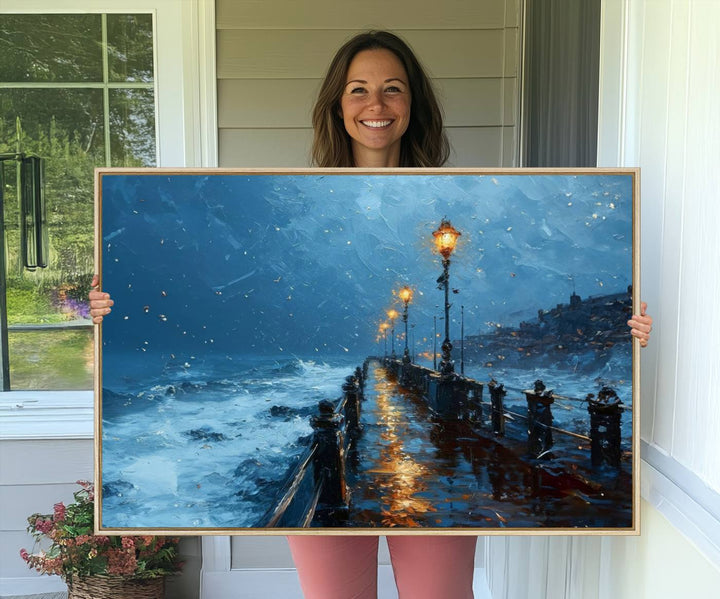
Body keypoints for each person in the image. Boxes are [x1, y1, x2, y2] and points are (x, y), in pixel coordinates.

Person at [89, 30, 653, 599]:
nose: (376, 105)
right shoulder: (292, 190)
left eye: (392, 89)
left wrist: (630, 332)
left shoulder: (455, 193)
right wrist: (110, 308)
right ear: (338, 104)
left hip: (421, 471)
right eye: (358, 90)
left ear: (413, 104)